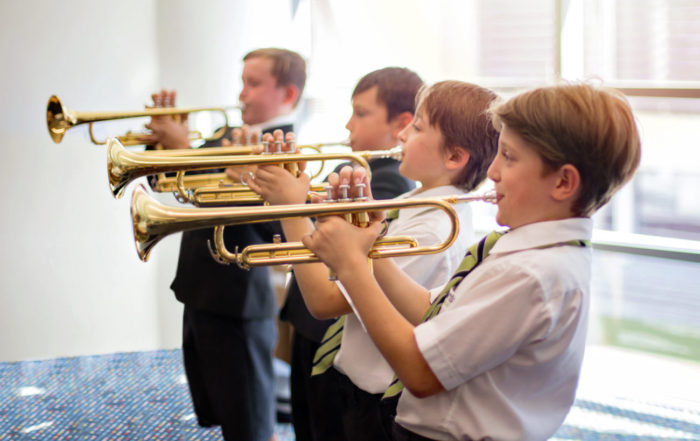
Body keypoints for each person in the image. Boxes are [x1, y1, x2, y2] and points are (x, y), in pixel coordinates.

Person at [301, 83, 642, 441]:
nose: (492, 171)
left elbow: (419, 372)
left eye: (508, 157)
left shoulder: (530, 273)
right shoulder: (525, 249)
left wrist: (353, 267)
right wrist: (374, 243)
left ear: (563, 182)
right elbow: (430, 311)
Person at [249, 80, 500, 441]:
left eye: (417, 128)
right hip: (357, 384)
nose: (401, 135)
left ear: (454, 157)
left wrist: (292, 209)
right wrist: (330, 218)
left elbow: (324, 300)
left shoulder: (434, 227)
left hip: (377, 401)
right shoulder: (416, 204)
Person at [145, 48, 307, 441]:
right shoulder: (226, 135)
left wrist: (186, 151)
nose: (242, 94)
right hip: (198, 288)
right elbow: (170, 185)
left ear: (287, 95)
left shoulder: (284, 149)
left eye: (253, 84)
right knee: (219, 406)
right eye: (242, 83)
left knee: (249, 418)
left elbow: (277, 230)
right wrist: (162, 143)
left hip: (238, 301)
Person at [269, 67, 423, 441]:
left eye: (361, 113)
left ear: (400, 123)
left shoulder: (385, 184)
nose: (348, 124)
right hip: (308, 325)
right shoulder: (350, 169)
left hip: (333, 339)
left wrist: (293, 210)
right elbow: (310, 239)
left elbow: (336, 275)